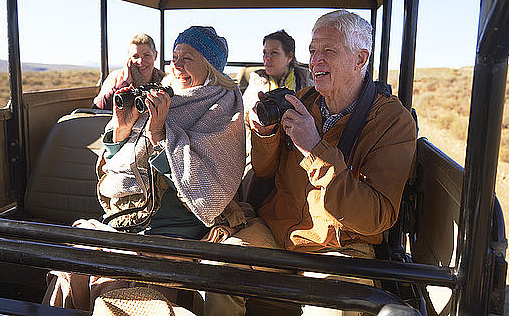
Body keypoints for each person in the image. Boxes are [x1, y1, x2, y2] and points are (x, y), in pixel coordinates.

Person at [209, 10, 417, 316]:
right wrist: (265, 133)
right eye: (312, 51)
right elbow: (265, 171)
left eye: (328, 51)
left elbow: (376, 217)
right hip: (280, 234)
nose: (315, 60)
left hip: (340, 247)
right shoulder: (302, 100)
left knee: (331, 307)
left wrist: (314, 148)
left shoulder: (392, 121)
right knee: (218, 265)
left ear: (360, 60)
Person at [44, 26, 246, 313]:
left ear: (210, 66)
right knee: (70, 271)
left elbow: (208, 191)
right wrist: (123, 128)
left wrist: (160, 137)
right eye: (174, 56)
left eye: (187, 58)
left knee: (121, 292)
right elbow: (119, 166)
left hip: (174, 229)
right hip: (125, 220)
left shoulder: (224, 109)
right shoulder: (167, 97)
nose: (176, 65)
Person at [240, 30, 312, 205]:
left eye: (274, 53)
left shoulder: (307, 83)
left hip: (297, 151)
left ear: (289, 56)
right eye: (265, 53)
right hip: (262, 150)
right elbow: (244, 123)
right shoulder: (256, 82)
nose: (267, 58)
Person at [93, 33, 165, 110]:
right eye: (135, 56)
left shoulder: (164, 79)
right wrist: (124, 83)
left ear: (155, 56)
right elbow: (98, 108)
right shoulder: (116, 77)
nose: (140, 61)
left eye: (146, 55)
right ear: (129, 59)